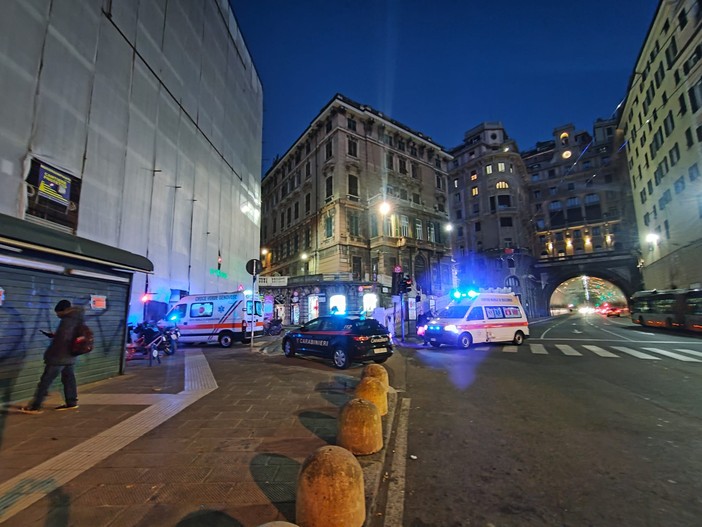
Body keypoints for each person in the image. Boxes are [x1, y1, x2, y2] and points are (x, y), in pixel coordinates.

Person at [21, 300, 84, 414]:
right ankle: (71, 403)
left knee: (45, 381)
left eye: (57, 313)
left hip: (59, 357)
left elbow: (64, 339)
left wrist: (51, 353)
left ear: (63, 311)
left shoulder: (67, 320)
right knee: (69, 379)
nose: (57, 315)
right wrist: (55, 335)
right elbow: (70, 337)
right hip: (69, 356)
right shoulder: (77, 319)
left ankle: (35, 406)